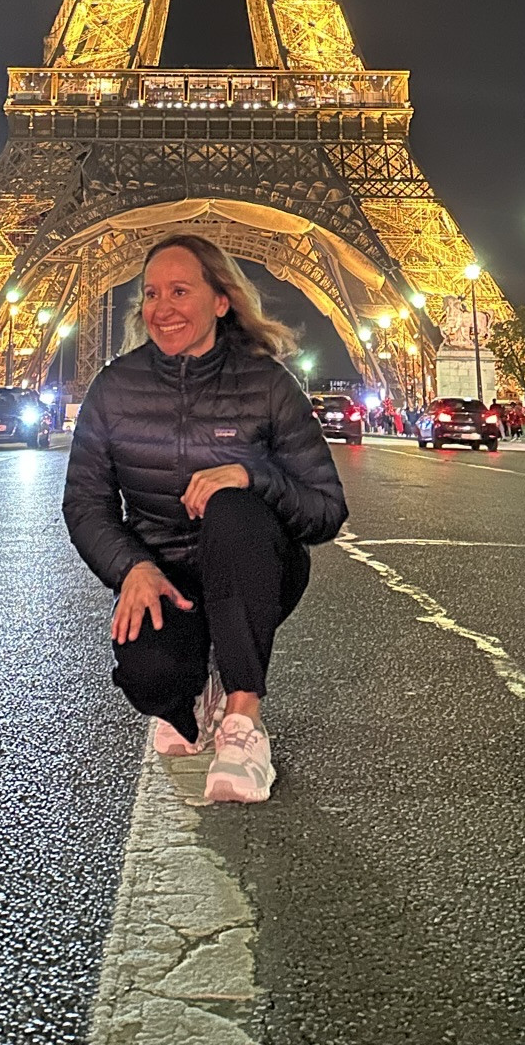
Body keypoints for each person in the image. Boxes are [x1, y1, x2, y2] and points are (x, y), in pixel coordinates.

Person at [63, 234, 347, 806]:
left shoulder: (268, 384)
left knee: (231, 505)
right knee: (150, 678)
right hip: (166, 577)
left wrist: (252, 476)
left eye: (179, 291)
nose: (162, 307)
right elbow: (86, 504)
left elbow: (326, 509)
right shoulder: (114, 388)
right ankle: (196, 685)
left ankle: (243, 715)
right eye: (151, 293)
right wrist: (132, 568)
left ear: (221, 300)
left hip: (255, 570)